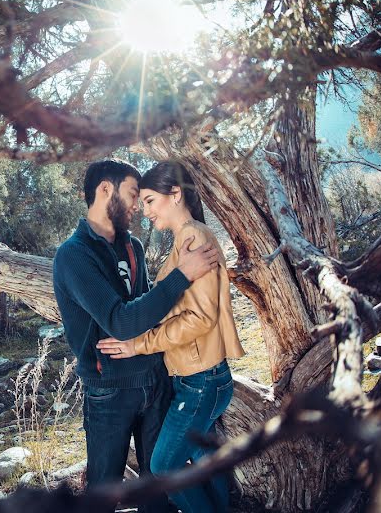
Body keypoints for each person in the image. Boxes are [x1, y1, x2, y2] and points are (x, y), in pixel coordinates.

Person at [52, 159, 219, 513]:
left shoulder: (135, 248)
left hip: (155, 379)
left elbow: (147, 314)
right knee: (103, 490)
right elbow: (122, 322)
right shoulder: (73, 256)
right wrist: (182, 275)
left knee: (157, 488)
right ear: (104, 191)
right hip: (109, 390)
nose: (136, 207)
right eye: (132, 195)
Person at [97, 161, 246, 513]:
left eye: (150, 200)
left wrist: (138, 343)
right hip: (199, 375)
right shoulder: (187, 239)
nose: (145, 210)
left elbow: (199, 319)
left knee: (163, 468)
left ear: (175, 195)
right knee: (203, 455)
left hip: (200, 379)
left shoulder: (193, 237)